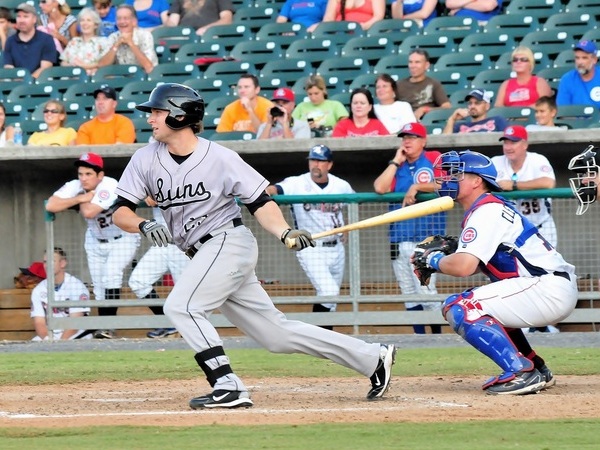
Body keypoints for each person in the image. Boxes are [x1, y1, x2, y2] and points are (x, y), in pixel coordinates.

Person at [111, 82, 396, 408]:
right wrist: (143, 224)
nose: (151, 118)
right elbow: (121, 211)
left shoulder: (220, 157)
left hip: (227, 242)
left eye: (158, 112)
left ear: (180, 115)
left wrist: (285, 232)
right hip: (201, 253)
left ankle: (227, 385)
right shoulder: (145, 158)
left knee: (182, 306)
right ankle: (373, 358)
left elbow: (259, 202)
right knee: (276, 335)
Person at [414, 150, 577, 394]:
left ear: (477, 180)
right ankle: (535, 367)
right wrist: (453, 251)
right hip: (547, 286)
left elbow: (464, 267)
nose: (447, 179)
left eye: (456, 174)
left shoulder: (486, 212)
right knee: (489, 308)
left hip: (546, 288)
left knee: (461, 307)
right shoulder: (488, 208)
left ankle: (520, 372)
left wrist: (434, 260)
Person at [45, 152, 141, 340]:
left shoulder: (109, 185)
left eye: (88, 174)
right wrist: (81, 198)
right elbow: (51, 205)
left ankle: (108, 327)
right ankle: (104, 328)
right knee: (98, 286)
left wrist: (81, 201)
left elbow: (89, 212)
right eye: (81, 174)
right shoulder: (77, 187)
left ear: (100, 175)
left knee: (111, 276)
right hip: (95, 239)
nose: (83, 178)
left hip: (122, 238)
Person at [266, 144, 354, 327]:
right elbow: (275, 189)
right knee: (330, 292)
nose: (316, 164)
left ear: (329, 164)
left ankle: (323, 339)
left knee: (330, 297)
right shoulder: (296, 183)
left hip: (336, 247)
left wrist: (347, 227)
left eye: (321, 161)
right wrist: (267, 190)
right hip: (310, 246)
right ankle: (320, 337)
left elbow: (353, 206)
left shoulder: (341, 185)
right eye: (313, 160)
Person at [373, 122, 446, 334]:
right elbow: (380, 187)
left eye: (412, 137)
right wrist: (395, 161)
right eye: (404, 137)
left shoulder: (433, 158)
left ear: (423, 141)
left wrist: (418, 186)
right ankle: (420, 336)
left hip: (426, 239)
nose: (407, 141)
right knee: (407, 291)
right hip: (400, 237)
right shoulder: (399, 167)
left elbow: (448, 183)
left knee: (426, 291)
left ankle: (437, 338)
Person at [129, 198, 189, 339]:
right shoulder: (153, 178)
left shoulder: (187, 177)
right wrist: (146, 193)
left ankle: (189, 331)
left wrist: (153, 194)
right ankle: (167, 323)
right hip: (162, 243)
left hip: (184, 245)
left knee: (186, 293)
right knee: (138, 281)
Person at [491, 125, 557, 248]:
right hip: (509, 232)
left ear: (525, 144)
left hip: (541, 228)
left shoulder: (537, 160)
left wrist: (514, 185)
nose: (508, 147)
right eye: (506, 142)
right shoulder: (496, 162)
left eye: (513, 142)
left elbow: (549, 183)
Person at [30, 247, 91, 341]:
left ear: (62, 263)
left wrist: (60, 344)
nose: (47, 265)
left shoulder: (77, 286)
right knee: (32, 345)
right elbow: (39, 323)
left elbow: (75, 323)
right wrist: (48, 340)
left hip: (76, 335)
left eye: (52, 261)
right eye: (45, 262)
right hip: (51, 334)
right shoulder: (38, 290)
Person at [97, 4, 158, 75]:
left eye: (125, 18)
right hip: (121, 77)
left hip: (145, 77)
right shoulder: (113, 37)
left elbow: (148, 67)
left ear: (134, 21)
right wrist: (116, 46)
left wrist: (131, 43)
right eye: (119, 19)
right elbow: (101, 66)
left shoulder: (145, 35)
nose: (122, 22)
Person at [2, 3, 57, 79]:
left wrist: (28, 81)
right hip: (16, 82)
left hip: (39, 82)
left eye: (25, 16)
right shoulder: (10, 41)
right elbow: (8, 67)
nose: (21, 20)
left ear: (34, 19)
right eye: (19, 16)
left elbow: (45, 68)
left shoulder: (46, 39)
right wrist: (18, 81)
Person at [396, 49, 451, 120]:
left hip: (426, 122)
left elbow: (447, 107)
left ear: (426, 65)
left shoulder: (433, 84)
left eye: (417, 62)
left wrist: (425, 109)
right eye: (410, 62)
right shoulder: (399, 85)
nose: (413, 66)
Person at [61, 7, 110, 76]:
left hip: (93, 79)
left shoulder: (103, 42)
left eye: (89, 20)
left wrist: (84, 66)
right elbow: (63, 62)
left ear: (96, 25)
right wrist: (71, 65)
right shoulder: (74, 42)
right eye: (82, 20)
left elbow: (104, 63)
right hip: (72, 78)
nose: (85, 23)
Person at [442, 88, 508, 134]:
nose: (472, 106)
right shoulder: (459, 126)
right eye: (470, 103)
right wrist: (452, 119)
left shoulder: (497, 120)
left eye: (477, 103)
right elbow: (445, 144)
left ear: (487, 106)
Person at [556, 40, 600, 109]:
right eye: (577, 58)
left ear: (594, 59)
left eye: (584, 58)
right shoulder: (567, 79)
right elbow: (563, 112)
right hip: (576, 119)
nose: (580, 62)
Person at [167, 0, 234, 36]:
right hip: (184, 36)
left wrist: (207, 29)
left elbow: (227, 19)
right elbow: (173, 22)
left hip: (210, 34)